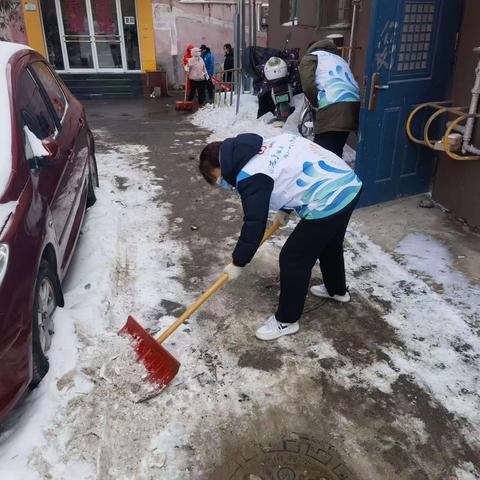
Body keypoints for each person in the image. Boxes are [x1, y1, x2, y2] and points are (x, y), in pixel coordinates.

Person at [198, 132, 362, 341]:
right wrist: (286, 208)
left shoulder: (250, 175)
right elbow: (290, 170)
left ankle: (286, 320)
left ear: (222, 164)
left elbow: (254, 225)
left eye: (217, 177)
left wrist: (238, 262)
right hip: (348, 182)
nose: (222, 183)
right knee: (329, 243)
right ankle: (336, 290)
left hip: (330, 196)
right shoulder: (262, 146)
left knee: (293, 258)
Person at [299, 39, 360, 157]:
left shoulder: (311, 58)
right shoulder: (339, 59)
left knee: (322, 154)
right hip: (353, 106)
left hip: (333, 105)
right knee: (336, 150)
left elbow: (307, 86)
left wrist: (316, 103)